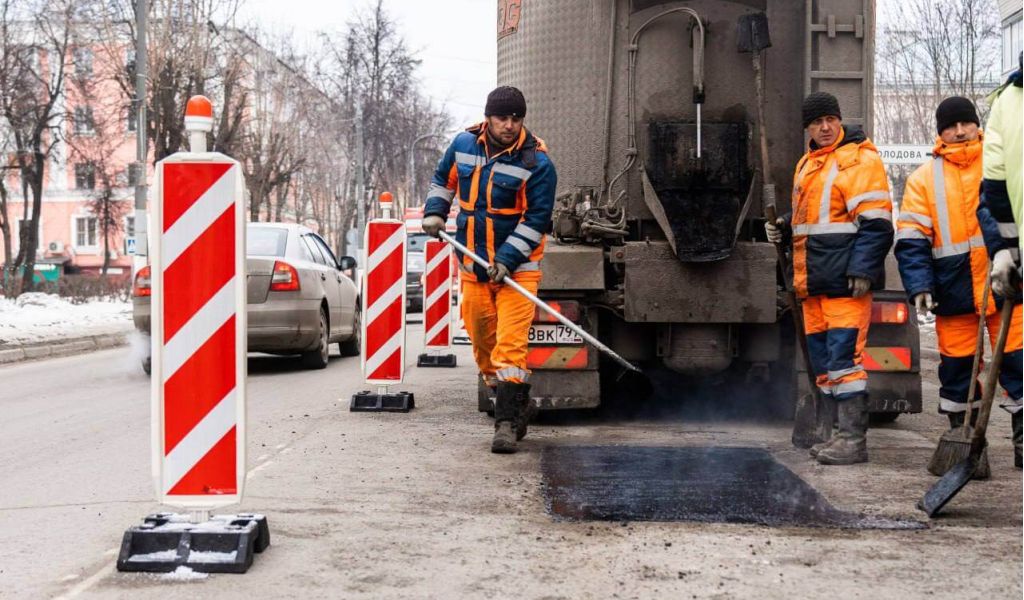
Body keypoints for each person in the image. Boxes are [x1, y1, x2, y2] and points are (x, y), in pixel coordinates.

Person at [421, 86, 556, 454]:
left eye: (516, 119)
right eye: (502, 118)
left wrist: (507, 260)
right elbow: (442, 180)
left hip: (518, 272)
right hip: (473, 266)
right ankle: (517, 403)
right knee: (483, 346)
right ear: (488, 118)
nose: (509, 126)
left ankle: (507, 424)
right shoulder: (463, 145)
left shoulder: (537, 164)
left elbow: (537, 219)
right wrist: (435, 211)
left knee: (510, 347)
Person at [895, 96, 1022, 476]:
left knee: (1019, 363)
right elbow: (912, 239)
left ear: (976, 124)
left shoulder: (1000, 164)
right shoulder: (923, 179)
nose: (959, 130)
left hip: (1009, 286)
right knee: (957, 373)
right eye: (950, 125)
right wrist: (919, 285)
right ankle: (966, 449)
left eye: (965, 122)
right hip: (954, 292)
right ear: (940, 132)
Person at [766, 91, 893, 465]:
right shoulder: (809, 163)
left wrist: (863, 270)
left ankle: (853, 441)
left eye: (830, 120)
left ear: (839, 121)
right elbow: (818, 216)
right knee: (824, 364)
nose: (824, 127)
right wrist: (785, 226)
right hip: (814, 282)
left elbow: (878, 224)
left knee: (844, 362)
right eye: (817, 122)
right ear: (807, 126)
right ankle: (836, 434)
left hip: (843, 282)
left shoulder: (858, 160)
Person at [976, 55, 1023, 468]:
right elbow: (993, 192)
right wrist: (1006, 250)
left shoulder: (1006, 101)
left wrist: (1005, 250)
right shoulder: (1008, 100)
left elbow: (994, 188)